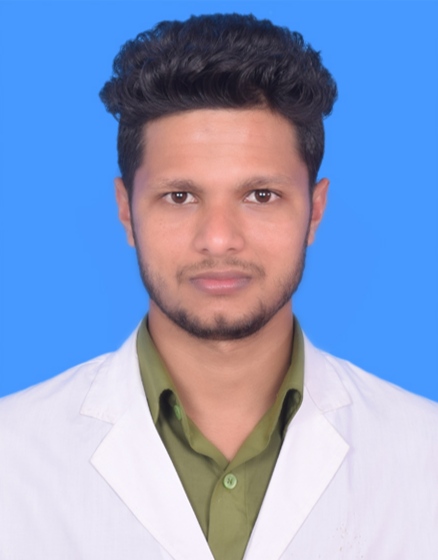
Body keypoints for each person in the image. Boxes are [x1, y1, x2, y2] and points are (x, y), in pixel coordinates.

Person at [0, 13, 437, 560]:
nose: (219, 239)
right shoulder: (12, 456)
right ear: (126, 211)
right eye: (180, 196)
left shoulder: (425, 455)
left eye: (261, 195)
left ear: (316, 210)